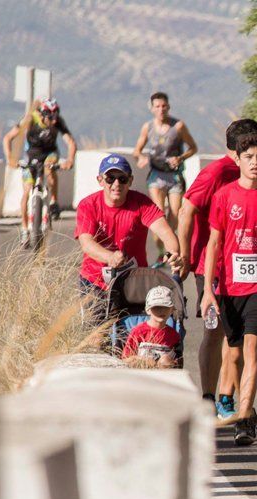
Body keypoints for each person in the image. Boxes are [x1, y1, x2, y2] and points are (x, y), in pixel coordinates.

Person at [200, 132, 257, 446]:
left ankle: (244, 416)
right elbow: (213, 243)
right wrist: (209, 291)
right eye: (249, 157)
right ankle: (249, 413)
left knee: (253, 346)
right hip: (228, 287)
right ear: (237, 159)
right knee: (233, 352)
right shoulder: (224, 196)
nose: (255, 163)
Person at [178, 119, 257, 415]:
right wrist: (185, 255)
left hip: (241, 267)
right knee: (215, 332)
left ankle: (229, 399)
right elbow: (186, 210)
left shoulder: (249, 176)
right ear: (237, 149)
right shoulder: (216, 173)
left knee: (236, 334)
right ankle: (209, 397)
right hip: (209, 267)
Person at [75, 153, 183, 325]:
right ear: (100, 180)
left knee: (133, 336)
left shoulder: (141, 203)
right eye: (110, 178)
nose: (116, 184)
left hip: (134, 283)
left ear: (130, 180)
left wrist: (173, 252)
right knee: (96, 339)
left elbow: (165, 232)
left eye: (122, 179)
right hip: (95, 281)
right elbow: (86, 243)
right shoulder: (88, 205)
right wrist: (109, 257)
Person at [132, 91, 198, 266]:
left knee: (175, 214)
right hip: (156, 176)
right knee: (158, 214)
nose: (161, 110)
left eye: (164, 106)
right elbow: (136, 150)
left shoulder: (178, 127)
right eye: (157, 106)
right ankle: (163, 252)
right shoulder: (148, 127)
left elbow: (193, 147)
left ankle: (171, 249)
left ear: (168, 107)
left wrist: (181, 158)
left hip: (174, 175)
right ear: (152, 108)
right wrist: (141, 158)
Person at [1, 98, 77, 246]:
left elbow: (70, 142)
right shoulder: (30, 119)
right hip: (31, 155)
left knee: (50, 167)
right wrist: (10, 158)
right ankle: (24, 228)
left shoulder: (58, 121)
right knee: (27, 191)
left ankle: (54, 202)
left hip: (50, 153)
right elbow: (8, 138)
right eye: (50, 118)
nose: (53, 122)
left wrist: (70, 160)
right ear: (41, 115)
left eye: (55, 118)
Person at [122, 286, 180, 368]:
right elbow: (125, 359)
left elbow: (177, 359)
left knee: (165, 360)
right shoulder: (138, 331)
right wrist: (143, 360)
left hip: (164, 375)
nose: (161, 310)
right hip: (140, 372)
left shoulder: (173, 335)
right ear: (148, 310)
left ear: (172, 309)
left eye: (165, 307)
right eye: (156, 307)